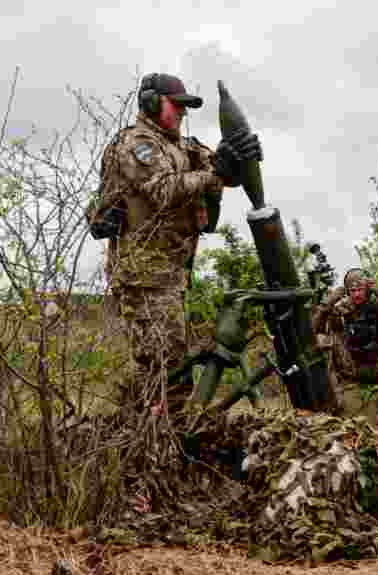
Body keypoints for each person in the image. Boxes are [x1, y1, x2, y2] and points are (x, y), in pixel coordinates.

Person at [101, 72, 261, 419]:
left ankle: (145, 439)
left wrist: (236, 158)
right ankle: (157, 448)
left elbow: (218, 168)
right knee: (167, 373)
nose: (182, 114)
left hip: (169, 276)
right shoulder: (136, 145)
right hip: (143, 276)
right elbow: (164, 190)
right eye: (177, 107)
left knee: (164, 369)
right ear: (152, 103)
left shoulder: (181, 145)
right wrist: (213, 175)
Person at [312, 268, 378, 426]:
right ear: (347, 291)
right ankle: (333, 401)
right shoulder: (343, 307)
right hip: (351, 366)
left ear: (368, 288)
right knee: (321, 340)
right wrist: (326, 305)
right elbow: (314, 331)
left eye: (360, 289)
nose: (357, 294)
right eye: (353, 290)